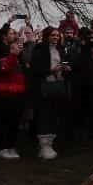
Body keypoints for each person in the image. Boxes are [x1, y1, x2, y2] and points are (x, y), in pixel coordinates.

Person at [30, 26, 70, 160]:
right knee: (44, 115)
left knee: (54, 114)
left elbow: (64, 61)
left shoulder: (60, 49)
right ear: (47, 36)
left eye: (57, 35)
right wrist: (51, 70)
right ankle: (43, 145)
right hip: (44, 87)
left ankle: (50, 143)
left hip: (58, 85)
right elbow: (35, 69)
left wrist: (65, 67)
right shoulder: (39, 49)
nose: (55, 38)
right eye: (53, 35)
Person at [0, 38, 28, 159]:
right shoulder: (3, 60)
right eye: (14, 47)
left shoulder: (21, 61)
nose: (18, 48)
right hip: (6, 95)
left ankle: (11, 146)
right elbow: (4, 69)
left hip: (19, 95)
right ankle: (2, 147)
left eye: (19, 46)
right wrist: (13, 55)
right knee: (5, 122)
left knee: (15, 122)